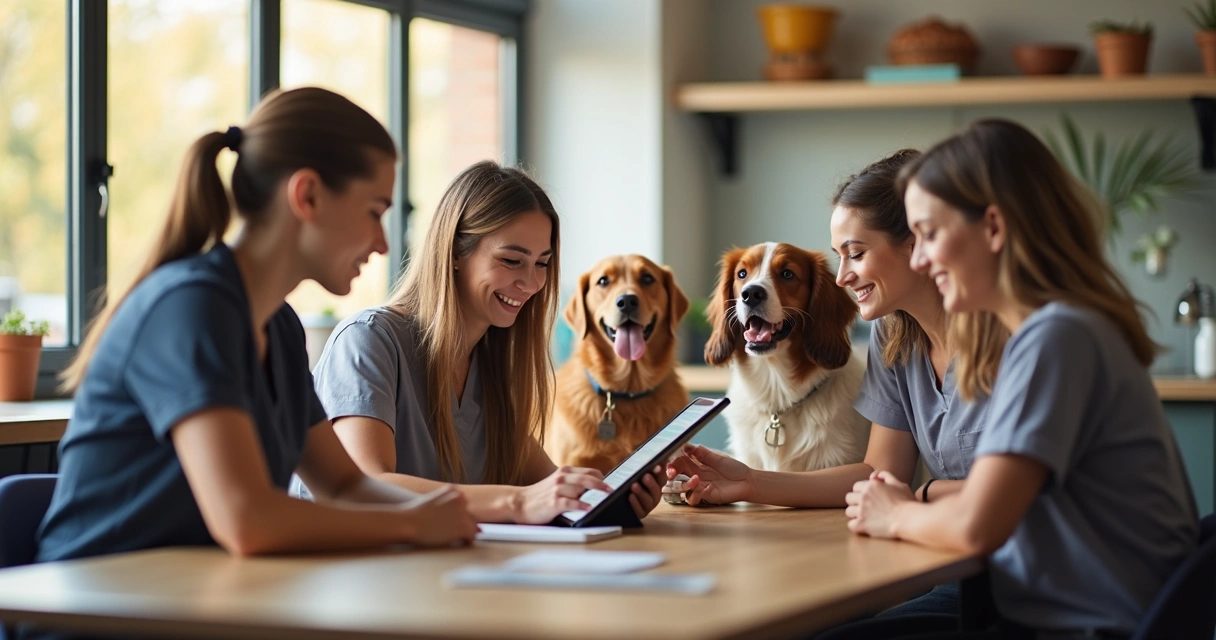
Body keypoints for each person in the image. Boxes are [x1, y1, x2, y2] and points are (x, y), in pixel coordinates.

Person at [36, 87, 479, 574]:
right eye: (374, 212)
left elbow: (344, 486)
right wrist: (414, 526)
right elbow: (247, 521)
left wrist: (444, 513)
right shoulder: (191, 307)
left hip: (199, 601)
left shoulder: (279, 325)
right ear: (307, 195)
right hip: (95, 614)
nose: (381, 242)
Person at [845, 119, 1199, 639]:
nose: (919, 259)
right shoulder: (1059, 330)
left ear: (993, 228)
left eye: (930, 234)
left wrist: (896, 512)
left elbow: (976, 524)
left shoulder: (1055, 338)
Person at [665, 149, 1006, 621]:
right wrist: (748, 482)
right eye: (840, 256)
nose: (843, 276)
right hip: (957, 569)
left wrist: (919, 497)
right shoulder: (895, 335)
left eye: (857, 254)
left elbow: (1019, 494)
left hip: (1033, 582)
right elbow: (878, 474)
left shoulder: (1015, 336)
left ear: (917, 243)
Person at [304, 160, 664, 524]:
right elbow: (366, 487)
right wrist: (517, 503)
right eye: (511, 260)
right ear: (455, 252)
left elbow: (549, 489)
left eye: (542, 263)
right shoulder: (367, 341)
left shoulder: (490, 364)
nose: (531, 282)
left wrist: (612, 499)